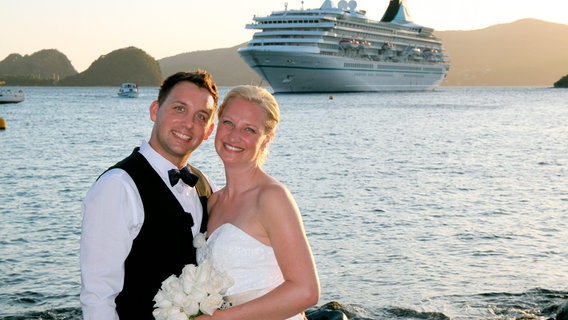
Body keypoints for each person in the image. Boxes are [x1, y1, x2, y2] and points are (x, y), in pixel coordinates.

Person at [80, 70, 219, 320]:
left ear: (209, 130)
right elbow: (98, 295)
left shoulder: (207, 184)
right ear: (155, 110)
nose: (188, 123)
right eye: (179, 108)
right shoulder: (118, 186)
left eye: (201, 116)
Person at [196, 85, 320, 319]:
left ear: (265, 140)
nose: (234, 136)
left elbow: (306, 291)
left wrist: (222, 318)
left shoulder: (272, 197)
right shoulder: (213, 202)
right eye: (228, 123)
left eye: (249, 130)